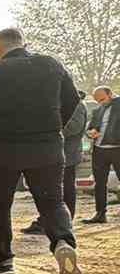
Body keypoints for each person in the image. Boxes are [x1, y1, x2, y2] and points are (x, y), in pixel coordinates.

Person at [0, 27, 83, 274]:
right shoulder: (51, 64)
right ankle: (63, 242)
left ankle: (3, 259)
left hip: (6, 148)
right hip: (48, 146)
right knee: (52, 201)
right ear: (23, 44)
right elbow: (73, 100)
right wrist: (53, 127)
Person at [23, 87, 88, 233]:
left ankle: (64, 223)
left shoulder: (76, 104)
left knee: (66, 189)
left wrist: (50, 130)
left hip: (67, 154)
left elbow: (74, 127)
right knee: (49, 189)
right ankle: (47, 221)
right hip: (54, 153)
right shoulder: (61, 103)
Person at [84, 84, 120, 223]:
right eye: (98, 100)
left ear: (110, 94)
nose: (100, 102)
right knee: (99, 183)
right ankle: (100, 214)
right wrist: (90, 133)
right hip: (99, 150)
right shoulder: (98, 110)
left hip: (117, 148)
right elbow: (90, 127)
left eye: (102, 99)